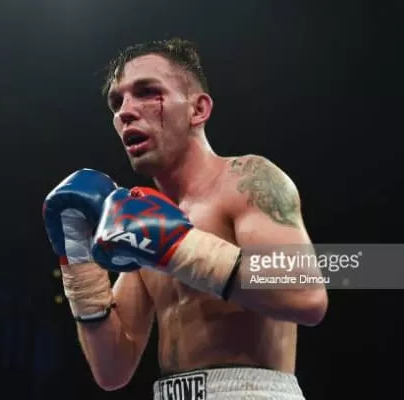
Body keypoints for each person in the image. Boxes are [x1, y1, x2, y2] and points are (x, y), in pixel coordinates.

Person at [43, 38, 328, 400]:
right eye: (117, 102)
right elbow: (112, 369)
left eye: (147, 92)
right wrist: (79, 262)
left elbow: (305, 295)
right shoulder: (139, 218)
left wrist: (178, 246)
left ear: (198, 109)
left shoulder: (247, 180)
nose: (125, 111)